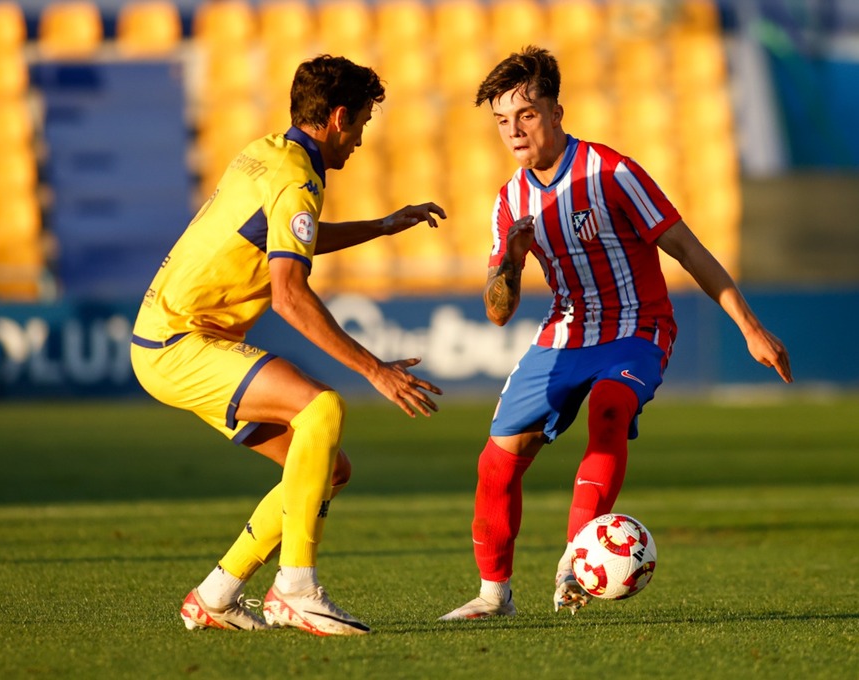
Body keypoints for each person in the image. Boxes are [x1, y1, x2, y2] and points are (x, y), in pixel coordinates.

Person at [439, 46, 792, 621]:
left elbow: (686, 247)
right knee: (496, 464)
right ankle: (492, 596)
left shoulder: (611, 172)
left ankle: (576, 565)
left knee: (608, 410)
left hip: (639, 326)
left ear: (556, 112)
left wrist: (750, 327)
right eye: (502, 121)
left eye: (526, 115)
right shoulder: (510, 201)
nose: (514, 131)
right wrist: (512, 259)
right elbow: (498, 311)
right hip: (566, 333)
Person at [131, 54, 446, 637]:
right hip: (181, 341)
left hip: (169, 338)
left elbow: (286, 237)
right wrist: (374, 370)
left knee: (325, 468)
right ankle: (295, 587)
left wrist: (379, 227)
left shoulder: (270, 151)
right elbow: (289, 295)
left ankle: (216, 594)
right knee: (322, 408)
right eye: (361, 125)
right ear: (338, 118)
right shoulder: (297, 175)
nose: (358, 141)